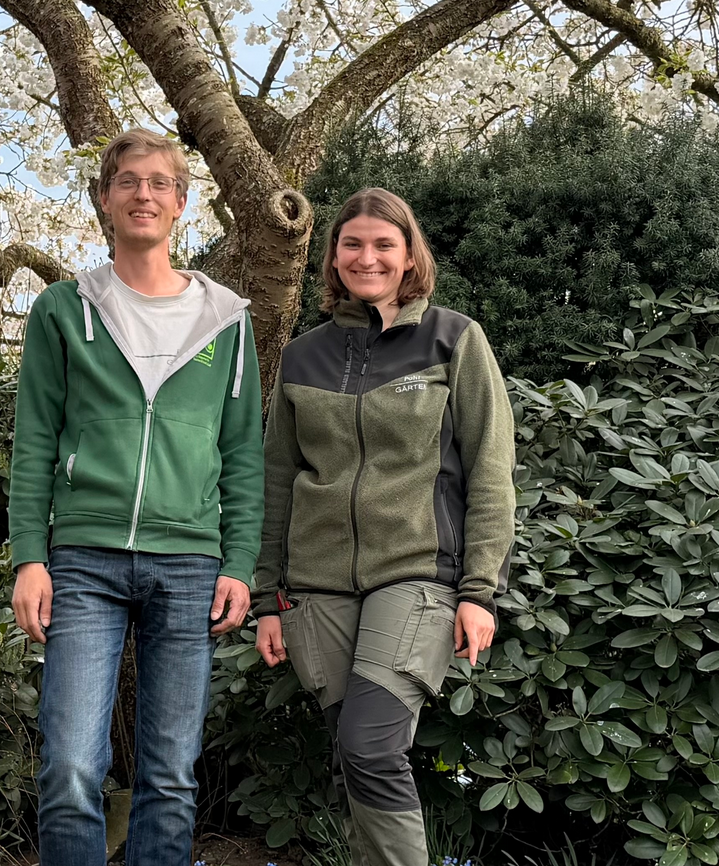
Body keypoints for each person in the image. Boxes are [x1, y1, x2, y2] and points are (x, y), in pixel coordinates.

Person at [6, 127, 264, 866]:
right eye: (128, 181)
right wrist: (30, 556)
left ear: (182, 203)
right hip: (83, 560)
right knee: (70, 770)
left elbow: (242, 450)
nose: (143, 194)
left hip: (190, 565)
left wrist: (240, 562)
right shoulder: (63, 309)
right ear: (104, 200)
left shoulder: (227, 319)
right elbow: (35, 442)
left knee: (171, 776)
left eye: (158, 183)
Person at [251, 188, 516, 866]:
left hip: (418, 575)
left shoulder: (454, 339)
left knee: (371, 744)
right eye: (352, 245)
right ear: (333, 258)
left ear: (408, 256)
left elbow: (490, 469)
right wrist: (266, 598)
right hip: (316, 586)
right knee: (358, 756)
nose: (366, 257)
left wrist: (479, 590)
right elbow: (277, 477)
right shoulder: (303, 356)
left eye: (383, 245)